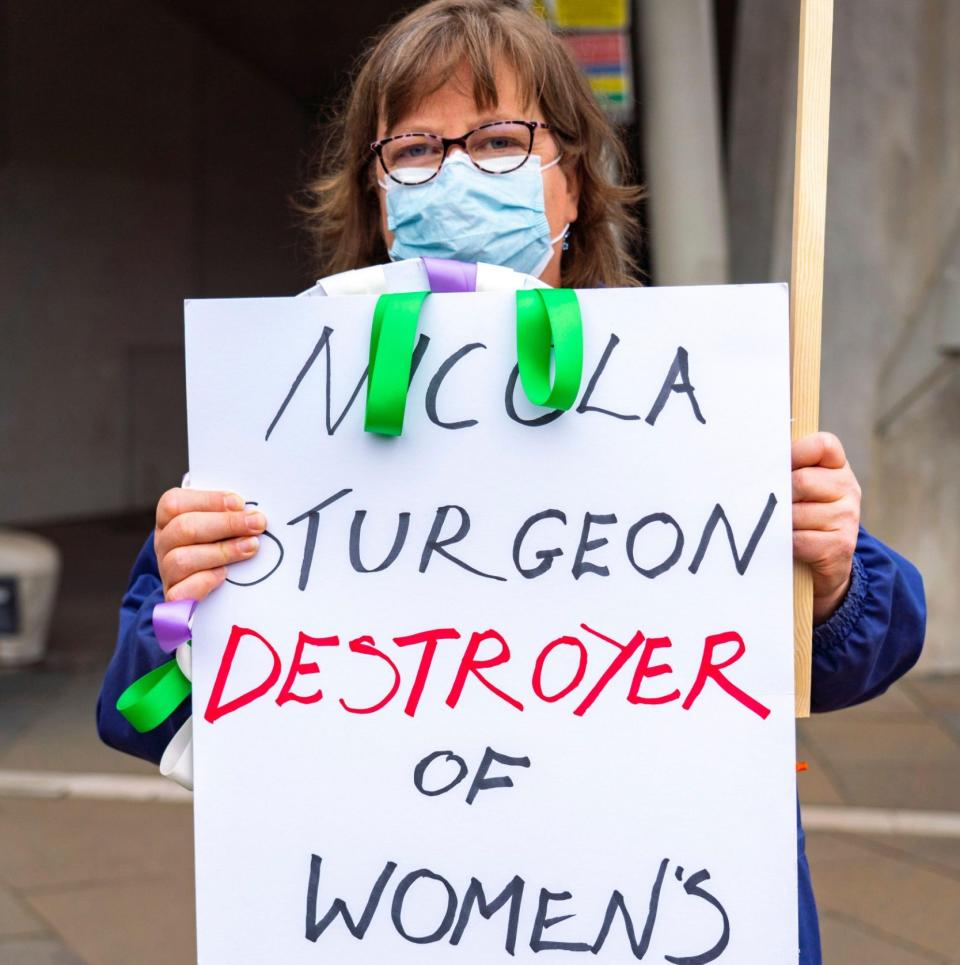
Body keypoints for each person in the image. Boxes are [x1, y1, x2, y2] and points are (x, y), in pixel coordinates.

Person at [96, 2, 925, 961]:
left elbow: (865, 649)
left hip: (657, 913)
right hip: (396, 914)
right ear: (376, 197)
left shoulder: (685, 404)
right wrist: (178, 591)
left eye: (497, 139)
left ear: (572, 181)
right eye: (412, 151)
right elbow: (139, 709)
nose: (452, 175)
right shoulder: (290, 420)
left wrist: (827, 577)